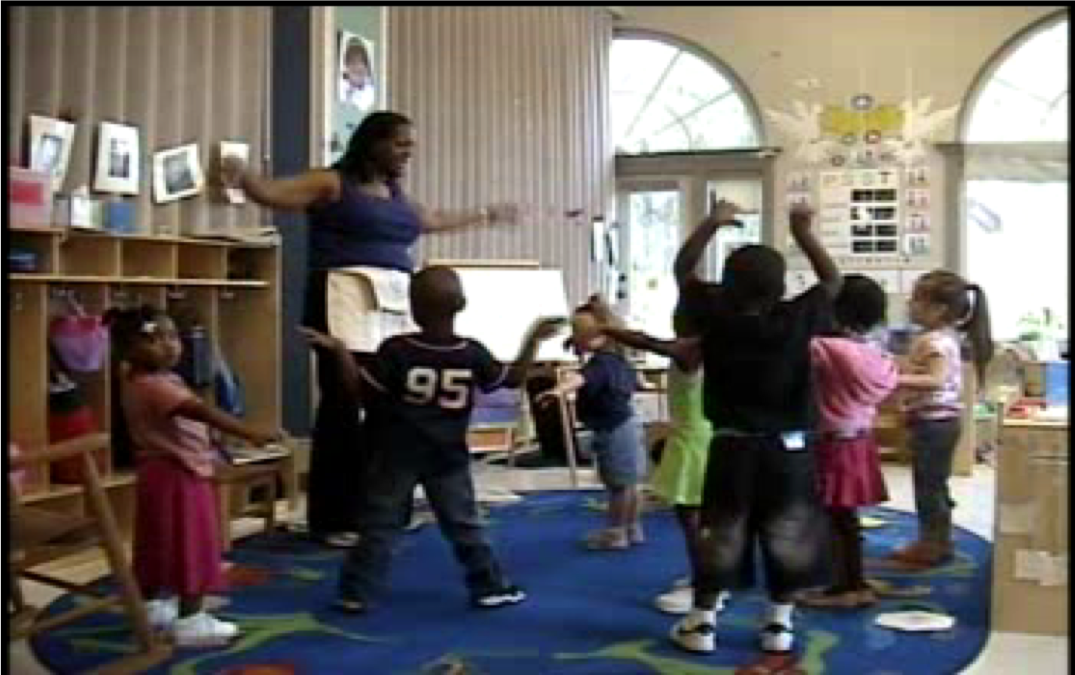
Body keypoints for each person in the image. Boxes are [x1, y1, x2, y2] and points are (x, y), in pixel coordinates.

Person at [221, 111, 520, 548]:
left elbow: (432, 218)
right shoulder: (332, 183)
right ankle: (333, 517)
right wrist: (244, 176)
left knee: (386, 405)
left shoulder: (396, 195)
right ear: (373, 143)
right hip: (342, 301)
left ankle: (378, 508)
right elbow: (273, 193)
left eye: (411, 146)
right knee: (344, 402)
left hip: (390, 306)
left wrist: (487, 214)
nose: (407, 153)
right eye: (400, 145)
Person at [301, 266, 565, 612]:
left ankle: (355, 593)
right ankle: (489, 586)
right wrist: (532, 339)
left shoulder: (397, 349)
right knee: (465, 524)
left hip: (395, 452)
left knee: (380, 525)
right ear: (462, 304)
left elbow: (358, 391)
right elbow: (513, 379)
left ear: (411, 307)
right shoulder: (471, 351)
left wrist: (339, 351)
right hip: (447, 456)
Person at [666, 200, 842, 664]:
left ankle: (703, 620)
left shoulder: (715, 317)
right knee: (790, 531)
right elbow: (831, 282)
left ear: (726, 283)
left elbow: (682, 269)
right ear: (782, 285)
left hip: (731, 446)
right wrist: (802, 231)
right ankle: (778, 624)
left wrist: (711, 222)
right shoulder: (796, 319)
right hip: (790, 450)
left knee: (720, 531)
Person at [105, 305, 281, 646]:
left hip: (158, 473)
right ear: (129, 350)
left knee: (158, 541)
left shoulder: (140, 379)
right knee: (193, 545)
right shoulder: (155, 386)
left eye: (172, 337)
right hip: (179, 475)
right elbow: (199, 411)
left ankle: (151, 604)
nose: (169, 345)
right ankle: (191, 619)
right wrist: (249, 433)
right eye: (154, 340)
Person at [798, 275, 899, 609]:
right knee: (846, 517)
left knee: (836, 517)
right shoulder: (874, 352)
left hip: (833, 444)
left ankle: (848, 587)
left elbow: (792, 347)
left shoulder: (825, 348)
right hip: (859, 441)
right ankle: (852, 579)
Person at [890, 269, 993, 568]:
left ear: (939, 309)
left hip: (934, 424)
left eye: (916, 300)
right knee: (935, 484)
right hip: (940, 422)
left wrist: (893, 379)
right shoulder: (943, 337)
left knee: (929, 487)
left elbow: (936, 380)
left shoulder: (934, 340)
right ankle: (939, 540)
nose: (909, 304)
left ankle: (931, 545)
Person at [536, 301, 646, 551]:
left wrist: (556, 391)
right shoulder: (618, 359)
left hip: (613, 428)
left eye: (577, 335)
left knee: (618, 485)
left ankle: (616, 531)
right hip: (628, 424)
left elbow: (579, 378)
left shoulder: (600, 365)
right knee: (629, 483)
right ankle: (632, 526)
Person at [339, 38, 375, 110]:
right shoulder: (339, 87)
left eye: (362, 61)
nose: (358, 66)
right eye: (353, 62)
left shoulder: (372, 92)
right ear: (346, 66)